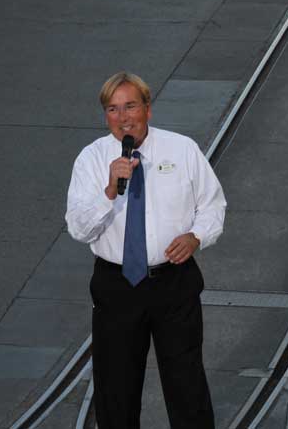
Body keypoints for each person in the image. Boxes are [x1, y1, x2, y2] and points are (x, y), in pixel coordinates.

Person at [65, 72, 226, 429]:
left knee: (187, 387)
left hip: (173, 281)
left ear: (148, 109)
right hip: (117, 286)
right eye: (113, 109)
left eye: (131, 106)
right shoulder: (91, 160)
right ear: (105, 116)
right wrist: (109, 190)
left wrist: (196, 236)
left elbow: (213, 205)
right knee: (116, 390)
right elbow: (78, 227)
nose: (123, 117)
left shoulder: (182, 150)